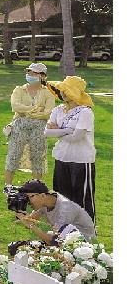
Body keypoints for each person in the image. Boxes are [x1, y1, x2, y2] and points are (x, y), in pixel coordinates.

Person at [46, 76, 96, 220]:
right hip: (61, 157)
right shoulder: (58, 110)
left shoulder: (85, 112)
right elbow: (47, 132)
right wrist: (66, 131)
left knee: (82, 198)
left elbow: (77, 137)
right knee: (62, 198)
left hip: (81, 161)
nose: (62, 93)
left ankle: (88, 232)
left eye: (66, 90)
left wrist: (58, 130)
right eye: (62, 90)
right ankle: (65, 230)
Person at [9, 179, 96, 257]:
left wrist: (30, 225)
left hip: (82, 249)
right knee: (16, 248)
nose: (27, 200)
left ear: (42, 195)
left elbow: (53, 241)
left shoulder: (65, 209)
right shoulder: (47, 200)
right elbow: (30, 219)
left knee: (29, 253)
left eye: (29, 197)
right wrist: (19, 209)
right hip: (63, 242)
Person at [4, 63, 57, 189]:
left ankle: (35, 187)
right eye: (28, 72)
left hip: (39, 129)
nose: (30, 75)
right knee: (14, 154)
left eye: (34, 73)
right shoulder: (19, 90)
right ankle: (8, 186)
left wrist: (27, 112)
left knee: (37, 156)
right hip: (19, 126)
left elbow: (48, 113)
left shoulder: (48, 93)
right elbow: (15, 107)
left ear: (42, 76)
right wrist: (36, 109)